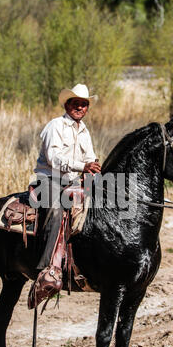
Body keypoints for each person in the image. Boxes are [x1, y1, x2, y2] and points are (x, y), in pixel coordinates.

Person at [29, 84, 101, 308]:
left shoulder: (85, 131)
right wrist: (83, 165)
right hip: (48, 180)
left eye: (84, 104)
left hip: (72, 180)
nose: (80, 107)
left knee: (102, 201)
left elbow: (91, 157)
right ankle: (47, 270)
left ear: (87, 108)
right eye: (76, 103)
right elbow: (54, 158)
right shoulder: (55, 125)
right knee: (56, 209)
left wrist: (94, 172)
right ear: (67, 104)